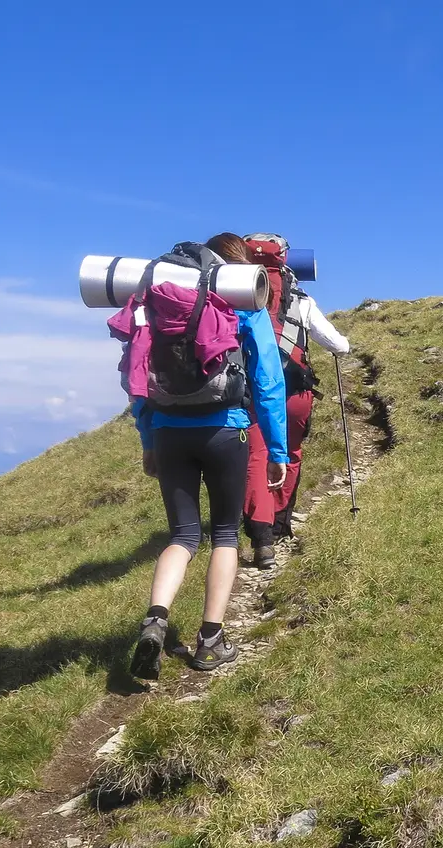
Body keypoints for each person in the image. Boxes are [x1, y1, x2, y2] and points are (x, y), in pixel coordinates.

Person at [113, 233, 290, 677]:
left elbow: (137, 373)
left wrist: (148, 440)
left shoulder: (155, 295)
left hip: (169, 431)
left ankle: (156, 619)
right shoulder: (239, 294)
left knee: (183, 537)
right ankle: (210, 641)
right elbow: (268, 380)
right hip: (226, 430)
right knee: (226, 534)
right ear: (238, 264)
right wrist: (277, 449)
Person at [239, 232, 351, 567]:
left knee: (256, 458)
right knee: (289, 453)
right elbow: (338, 345)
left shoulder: (234, 296)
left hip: (251, 392)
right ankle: (279, 523)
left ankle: (260, 538)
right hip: (294, 390)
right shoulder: (301, 299)